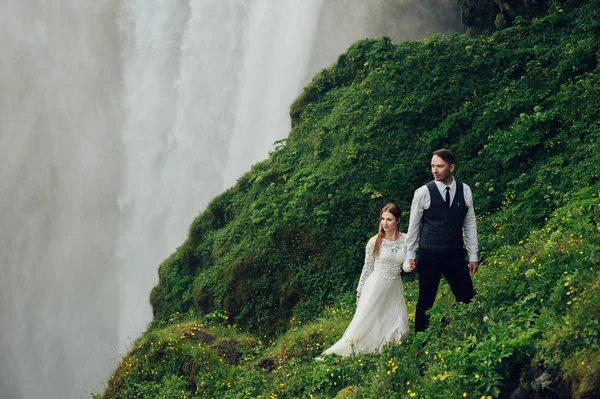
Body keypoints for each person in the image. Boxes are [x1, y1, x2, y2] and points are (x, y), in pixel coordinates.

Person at [319, 203, 413, 358]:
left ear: (398, 220)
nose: (385, 223)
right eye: (382, 219)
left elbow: (403, 265)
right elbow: (367, 268)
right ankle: (356, 350)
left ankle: (389, 350)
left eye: (389, 219)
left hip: (394, 286)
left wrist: (409, 266)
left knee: (397, 322)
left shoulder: (406, 239)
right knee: (366, 323)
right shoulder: (375, 241)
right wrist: (359, 292)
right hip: (375, 285)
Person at [404, 148, 479, 333]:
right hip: (430, 254)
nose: (435, 170)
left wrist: (473, 255)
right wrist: (411, 254)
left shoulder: (465, 190)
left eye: (440, 166)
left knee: (467, 297)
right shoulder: (423, 192)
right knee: (425, 302)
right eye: (432, 166)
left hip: (455, 255)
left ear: (451, 167)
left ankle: (466, 331)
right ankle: (420, 342)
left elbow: (469, 224)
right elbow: (414, 226)